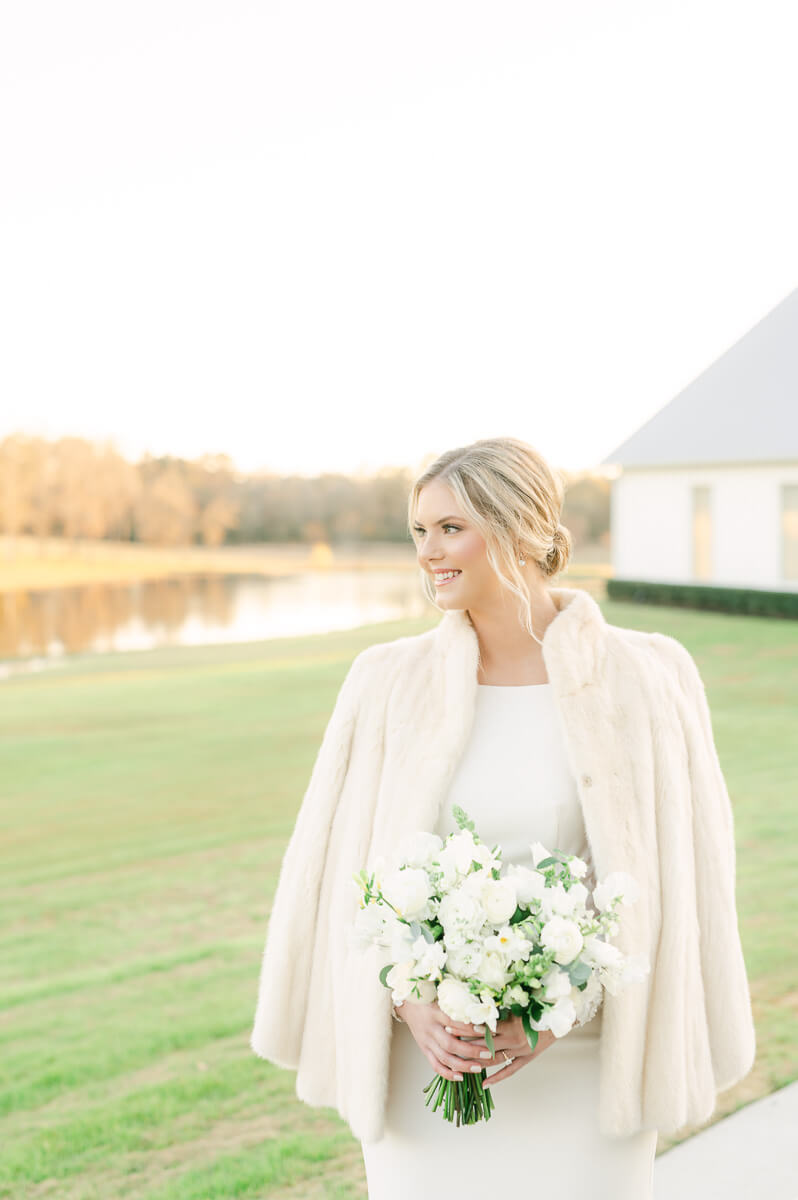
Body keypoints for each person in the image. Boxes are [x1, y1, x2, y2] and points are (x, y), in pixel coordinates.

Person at [250, 436, 756, 1199]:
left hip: (589, 1073)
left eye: (451, 528)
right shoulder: (384, 684)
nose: (428, 552)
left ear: (521, 528)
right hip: (424, 1068)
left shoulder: (649, 680)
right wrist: (407, 995)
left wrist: (561, 1007)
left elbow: (684, 886)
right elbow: (342, 879)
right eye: (419, 531)